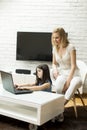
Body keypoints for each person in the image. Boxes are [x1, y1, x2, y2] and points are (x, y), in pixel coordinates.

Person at [51, 27, 82, 105]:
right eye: (53, 38)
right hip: (62, 74)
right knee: (58, 86)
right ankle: (57, 109)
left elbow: (73, 66)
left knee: (74, 83)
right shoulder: (55, 48)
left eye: (57, 37)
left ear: (63, 37)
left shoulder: (71, 47)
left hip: (74, 74)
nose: (55, 40)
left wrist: (68, 82)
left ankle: (60, 108)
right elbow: (54, 63)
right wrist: (55, 70)